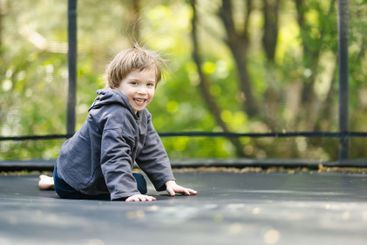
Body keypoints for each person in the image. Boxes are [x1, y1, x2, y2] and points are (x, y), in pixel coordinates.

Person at [38, 43, 197, 202]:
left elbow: (151, 148)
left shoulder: (141, 114)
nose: (142, 90)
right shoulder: (117, 115)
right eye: (134, 83)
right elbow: (115, 155)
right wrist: (128, 193)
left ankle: (53, 180)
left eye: (149, 85)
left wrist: (168, 181)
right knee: (138, 184)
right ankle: (59, 182)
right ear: (116, 84)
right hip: (75, 182)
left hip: (72, 169)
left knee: (133, 181)